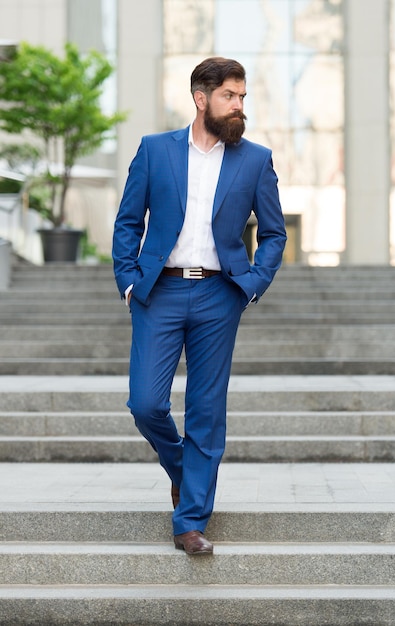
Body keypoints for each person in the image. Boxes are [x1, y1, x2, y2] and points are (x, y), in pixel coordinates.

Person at [112, 57, 287, 556]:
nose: (239, 105)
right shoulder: (154, 150)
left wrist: (251, 283)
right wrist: (128, 279)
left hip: (219, 294)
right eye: (231, 95)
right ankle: (183, 470)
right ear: (201, 97)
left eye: (242, 97)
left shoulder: (255, 159)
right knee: (145, 403)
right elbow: (128, 221)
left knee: (207, 411)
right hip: (159, 291)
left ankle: (189, 522)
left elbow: (273, 233)